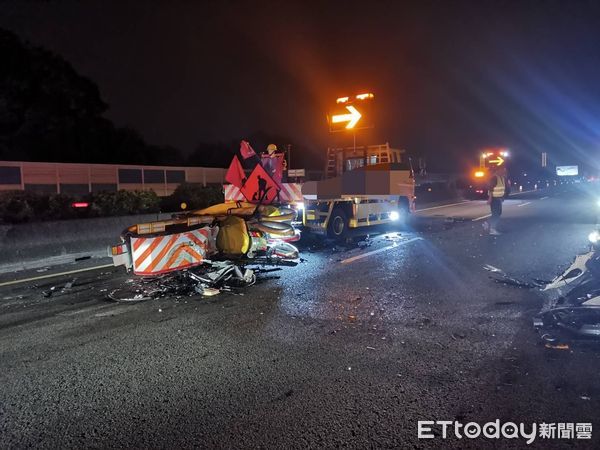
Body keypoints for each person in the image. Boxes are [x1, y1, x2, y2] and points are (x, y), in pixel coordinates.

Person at [486, 166, 509, 235]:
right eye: (503, 170)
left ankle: (487, 223)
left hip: (499, 198)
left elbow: (504, 188)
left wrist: (503, 197)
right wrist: (490, 199)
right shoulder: (494, 178)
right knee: (496, 214)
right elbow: (490, 188)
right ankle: (492, 229)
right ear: (498, 170)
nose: (504, 172)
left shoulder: (502, 178)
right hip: (494, 199)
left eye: (505, 171)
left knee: (498, 213)